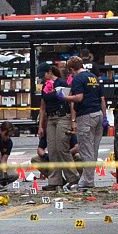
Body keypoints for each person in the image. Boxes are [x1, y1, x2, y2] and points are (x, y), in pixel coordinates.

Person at [63, 56, 108, 191]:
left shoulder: (78, 78)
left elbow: (79, 97)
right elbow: (102, 99)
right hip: (98, 115)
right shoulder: (93, 77)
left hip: (86, 116)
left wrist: (64, 97)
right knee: (93, 151)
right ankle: (88, 180)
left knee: (86, 150)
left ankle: (87, 181)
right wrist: (105, 117)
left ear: (71, 69)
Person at [36, 62, 80, 192]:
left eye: (43, 74)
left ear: (50, 72)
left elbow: (70, 103)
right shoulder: (44, 86)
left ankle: (73, 179)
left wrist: (73, 121)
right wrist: (40, 126)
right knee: (53, 149)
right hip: (51, 118)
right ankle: (55, 181)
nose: (43, 77)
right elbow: (42, 107)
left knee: (62, 148)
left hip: (63, 117)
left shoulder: (62, 83)